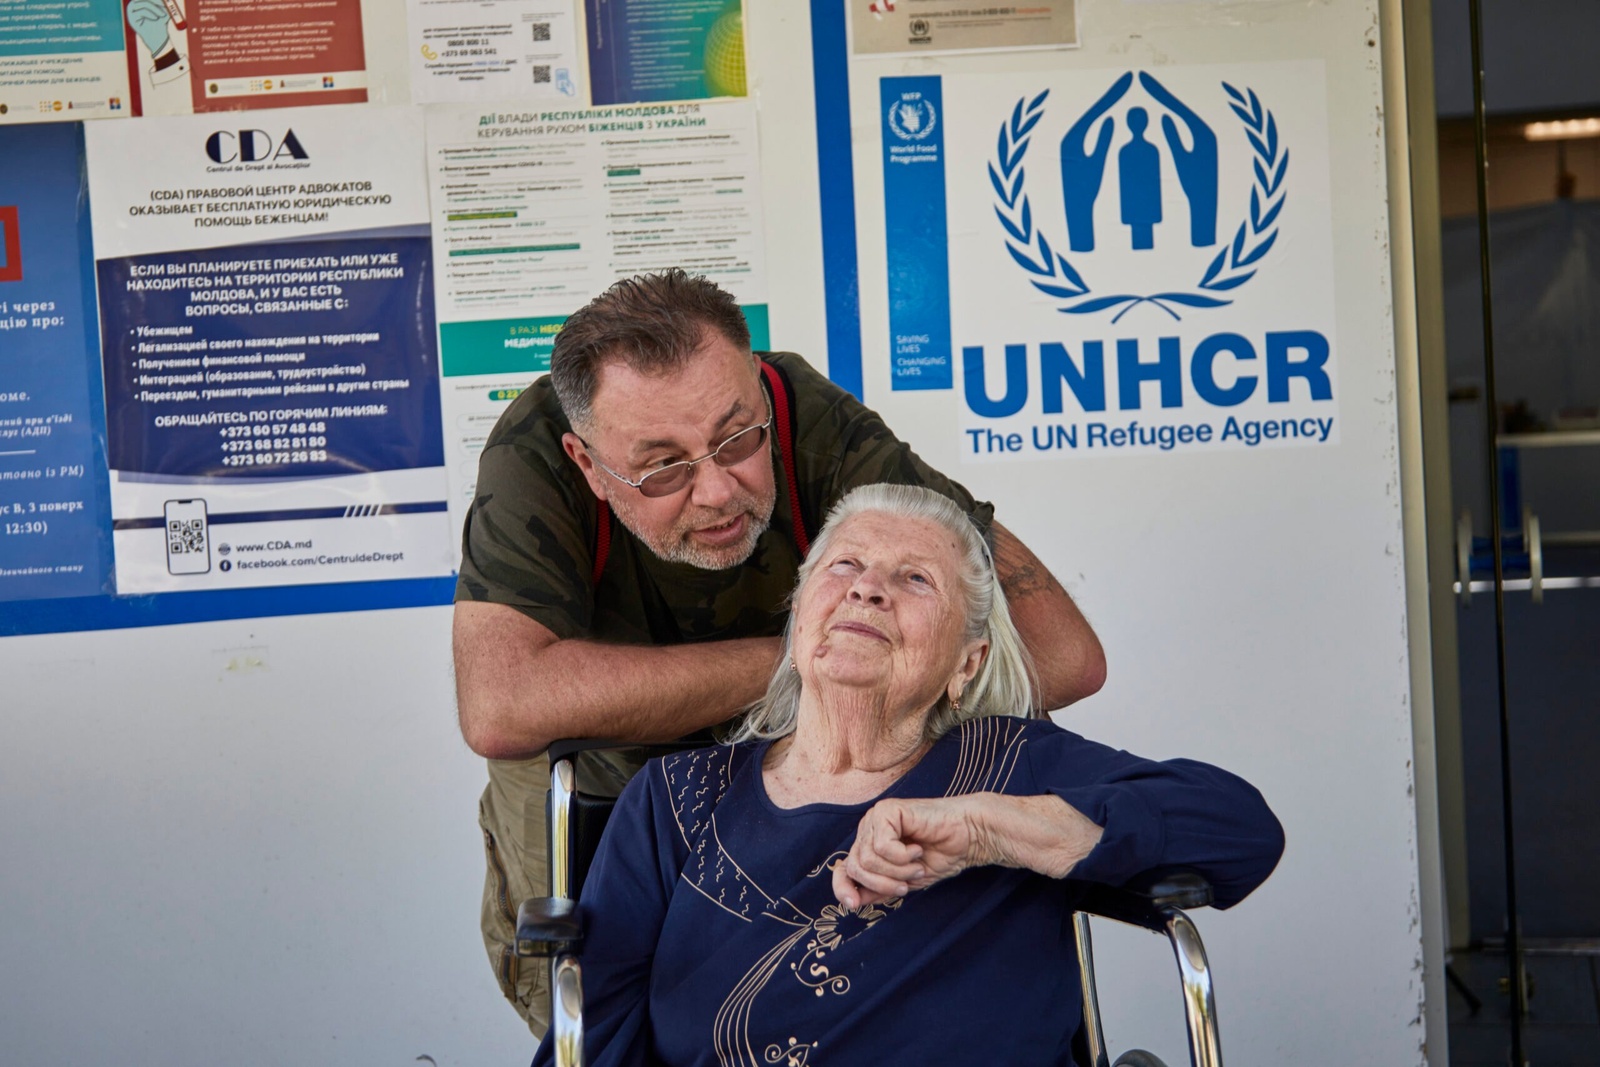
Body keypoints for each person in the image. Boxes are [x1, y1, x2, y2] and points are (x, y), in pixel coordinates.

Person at [454, 270, 1106, 1032]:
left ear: (761, 392)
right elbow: (502, 705)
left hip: (796, 790)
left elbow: (1064, 657)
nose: (718, 491)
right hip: (604, 801)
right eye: (664, 466)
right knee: (617, 1019)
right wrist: (821, 653)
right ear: (590, 464)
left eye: (738, 439)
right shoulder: (535, 454)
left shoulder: (807, 417)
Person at [531, 484, 1285, 1067]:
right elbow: (593, 1037)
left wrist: (993, 829)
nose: (868, 588)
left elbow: (1242, 833)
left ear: (968, 663)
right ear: (799, 622)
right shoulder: (676, 800)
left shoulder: (1006, 763)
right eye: (846, 565)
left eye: (915, 578)